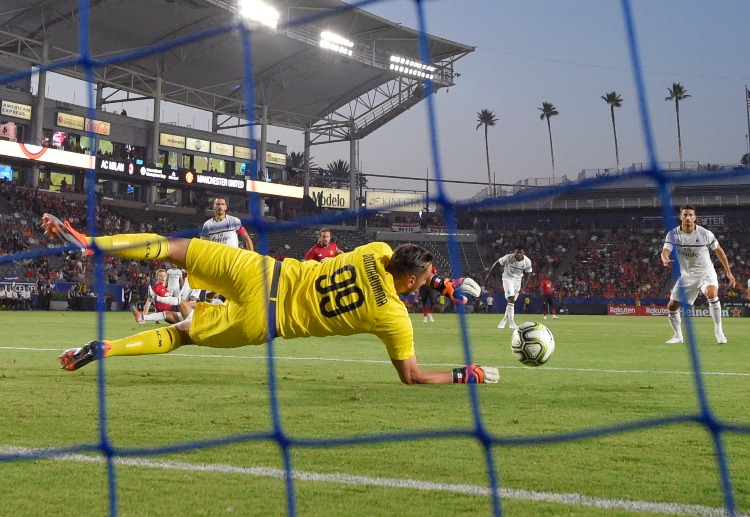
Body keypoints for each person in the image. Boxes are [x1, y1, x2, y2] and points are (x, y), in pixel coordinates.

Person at [42, 213, 498, 385]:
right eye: (428, 280)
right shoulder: (394, 319)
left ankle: (91, 242)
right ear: (414, 283)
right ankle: (107, 348)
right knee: (182, 334)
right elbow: (413, 376)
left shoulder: (375, 251)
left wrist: (439, 283)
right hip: (268, 319)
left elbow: (403, 262)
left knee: (172, 246)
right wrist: (465, 374)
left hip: (262, 271)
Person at [661, 204, 735, 344]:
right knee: (672, 306)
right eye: (685, 215)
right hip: (687, 276)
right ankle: (678, 336)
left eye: (690, 215)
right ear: (680, 217)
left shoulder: (705, 234)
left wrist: (729, 273)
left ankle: (719, 332)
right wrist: (665, 258)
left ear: (695, 217)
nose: (688, 217)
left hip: (705, 272)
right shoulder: (673, 234)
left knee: (712, 294)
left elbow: (719, 252)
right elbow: (665, 251)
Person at [485, 245, 532, 330]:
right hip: (507, 279)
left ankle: (503, 320)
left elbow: (528, 274)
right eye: (517, 252)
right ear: (515, 252)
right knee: (511, 299)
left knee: (512, 302)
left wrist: (523, 288)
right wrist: (489, 275)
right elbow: (497, 263)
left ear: (523, 253)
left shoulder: (527, 261)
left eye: (520, 253)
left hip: (518, 281)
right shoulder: (508, 257)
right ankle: (512, 323)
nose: (518, 254)